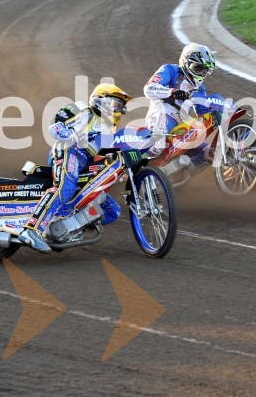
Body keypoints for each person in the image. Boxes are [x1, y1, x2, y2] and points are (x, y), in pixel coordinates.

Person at [19, 83, 132, 253]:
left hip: (86, 165)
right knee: (65, 188)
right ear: (99, 100)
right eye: (114, 104)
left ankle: (66, 228)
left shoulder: (110, 130)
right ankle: (32, 229)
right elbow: (55, 125)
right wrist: (71, 135)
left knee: (112, 210)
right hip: (68, 151)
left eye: (120, 107)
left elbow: (103, 155)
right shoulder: (82, 110)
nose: (117, 109)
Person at [143, 43, 217, 161]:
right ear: (185, 62)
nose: (201, 74)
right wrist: (172, 92)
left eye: (204, 71)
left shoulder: (200, 88)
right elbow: (149, 89)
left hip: (181, 124)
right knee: (159, 144)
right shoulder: (170, 70)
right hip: (160, 112)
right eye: (198, 68)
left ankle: (183, 169)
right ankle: (139, 163)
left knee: (209, 153)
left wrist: (216, 112)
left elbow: (204, 114)